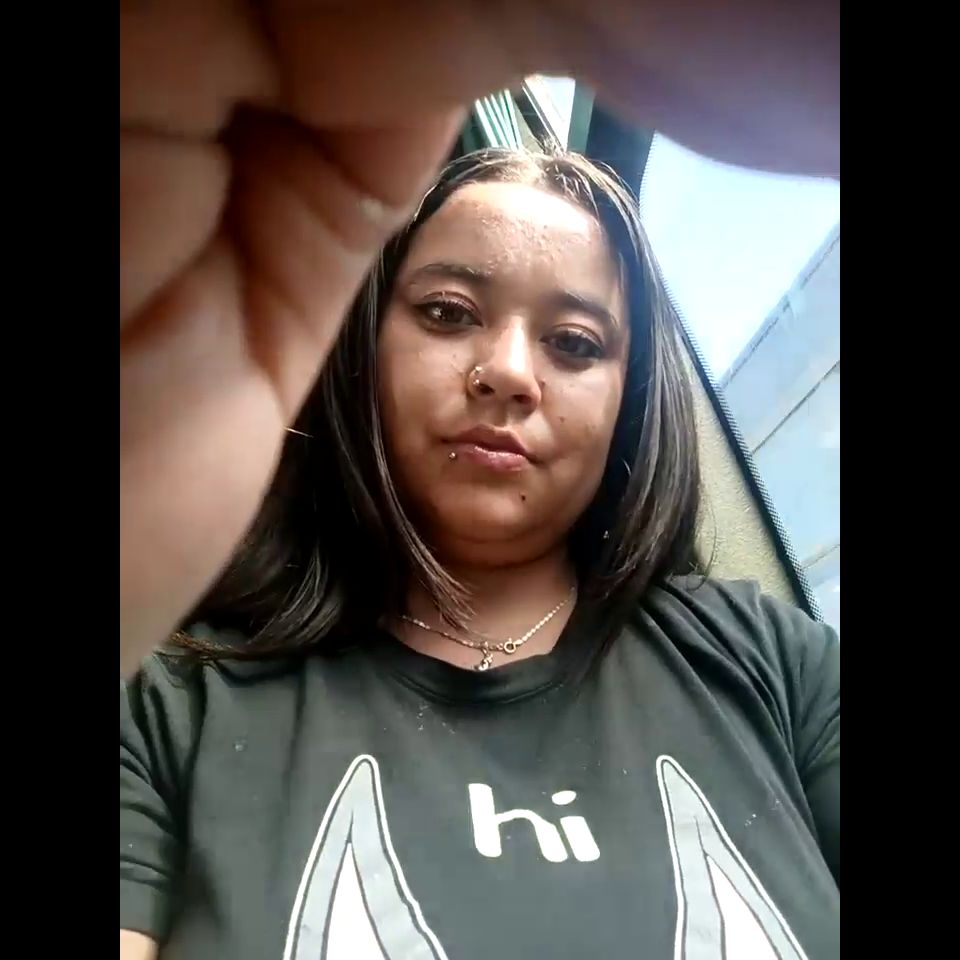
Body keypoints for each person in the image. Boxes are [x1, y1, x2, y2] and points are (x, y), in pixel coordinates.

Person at [121, 4, 840, 958]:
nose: (506, 371)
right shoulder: (173, 694)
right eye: (449, 312)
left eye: (574, 343)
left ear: (628, 402)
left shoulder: (777, 664)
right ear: (365, 349)